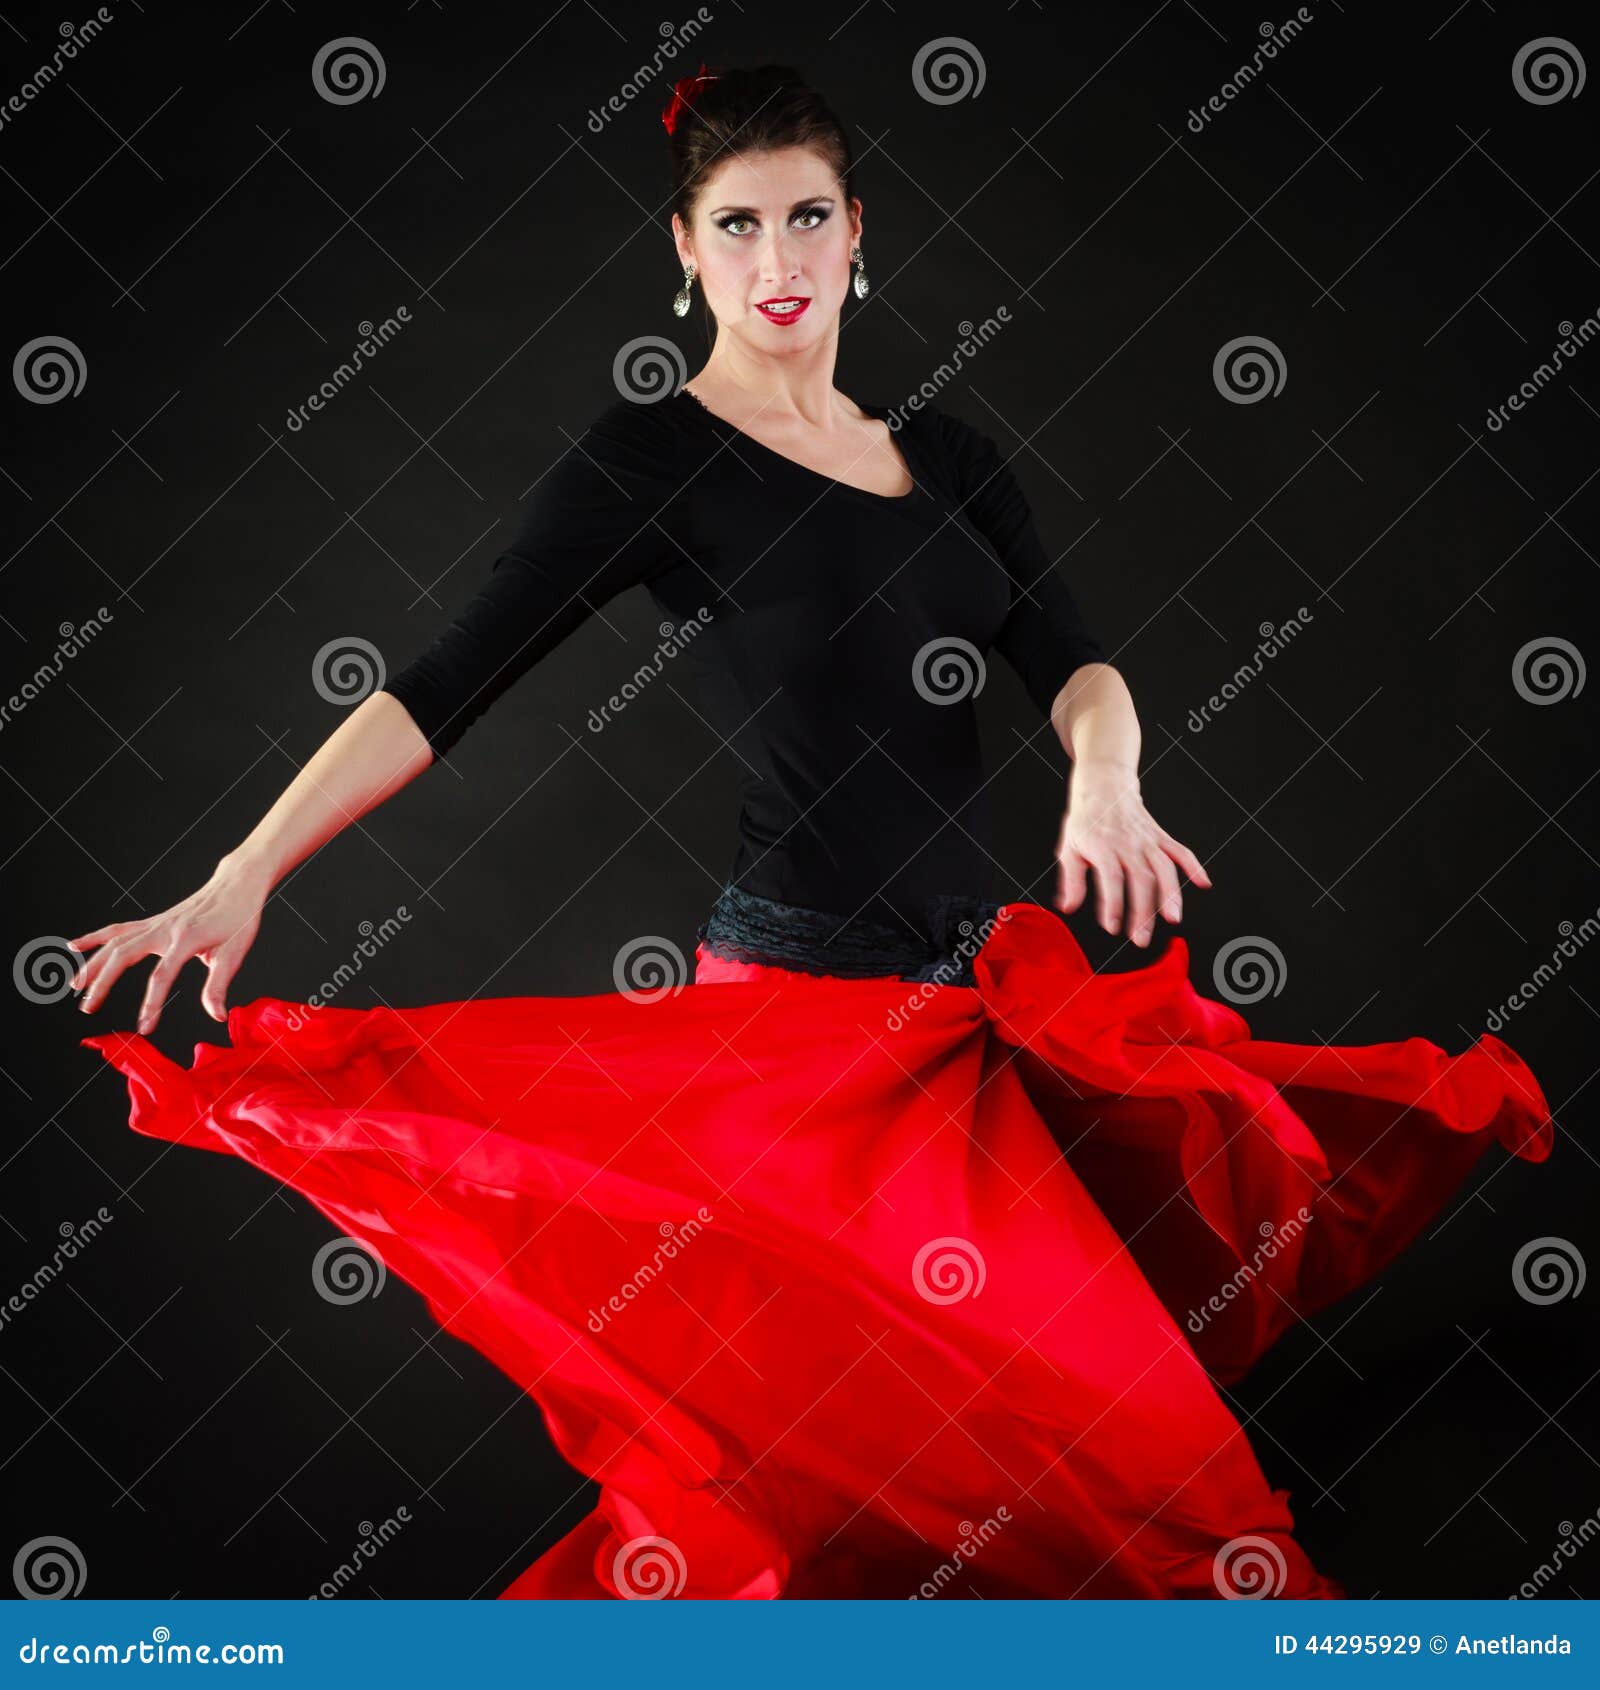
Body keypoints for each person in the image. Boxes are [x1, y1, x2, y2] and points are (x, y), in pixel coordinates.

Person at [75, 63, 1552, 1601]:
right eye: (737, 225)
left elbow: (1078, 661)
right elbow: (441, 686)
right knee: (791, 1503)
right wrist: (240, 873)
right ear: (685, 250)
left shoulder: (953, 459)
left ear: (859, 234)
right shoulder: (656, 458)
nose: (775, 262)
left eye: (805, 218)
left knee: (1148, 1482)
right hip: (787, 1054)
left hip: (966, 1036)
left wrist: (1105, 776)